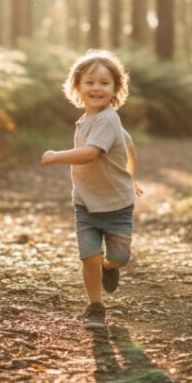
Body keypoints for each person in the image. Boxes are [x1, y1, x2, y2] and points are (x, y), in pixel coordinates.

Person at [41, 48, 143, 329]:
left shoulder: (108, 119)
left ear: (115, 89)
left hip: (117, 205)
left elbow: (89, 154)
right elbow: (129, 144)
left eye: (104, 83)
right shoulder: (87, 120)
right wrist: (132, 175)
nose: (96, 88)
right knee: (89, 256)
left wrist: (57, 156)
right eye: (90, 82)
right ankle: (96, 307)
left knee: (118, 258)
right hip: (85, 204)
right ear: (77, 87)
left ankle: (111, 268)